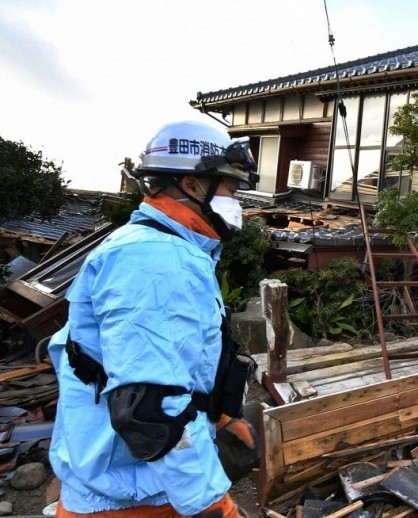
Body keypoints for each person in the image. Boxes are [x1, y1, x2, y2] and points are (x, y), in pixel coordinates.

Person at [48, 121, 260, 517]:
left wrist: (222, 416)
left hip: (134, 485)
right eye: (231, 188)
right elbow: (153, 410)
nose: (237, 201)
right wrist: (209, 502)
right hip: (133, 498)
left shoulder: (158, 249)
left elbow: (171, 364)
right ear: (194, 185)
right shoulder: (157, 262)